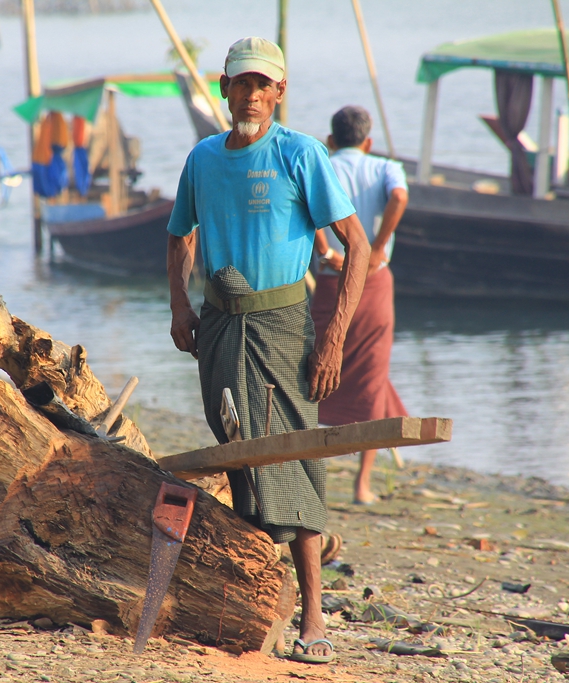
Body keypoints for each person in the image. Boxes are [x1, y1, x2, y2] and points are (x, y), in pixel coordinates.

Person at [166, 37, 370, 664]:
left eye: (264, 85)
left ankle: (313, 617)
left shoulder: (301, 154)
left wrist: (333, 338)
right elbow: (180, 234)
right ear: (223, 89)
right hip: (221, 330)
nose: (251, 95)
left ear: (279, 92)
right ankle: (258, 591)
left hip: (284, 327)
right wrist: (180, 304)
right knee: (239, 459)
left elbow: (356, 247)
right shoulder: (202, 159)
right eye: (241, 84)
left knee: (295, 458)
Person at [311, 105, 409, 505]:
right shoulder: (385, 167)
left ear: (332, 140)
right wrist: (379, 246)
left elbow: (308, 207)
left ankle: (312, 474)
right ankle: (362, 485)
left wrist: (323, 250)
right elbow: (400, 197)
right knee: (372, 375)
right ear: (368, 142)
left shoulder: (321, 164)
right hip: (373, 282)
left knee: (314, 376)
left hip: (333, 281)